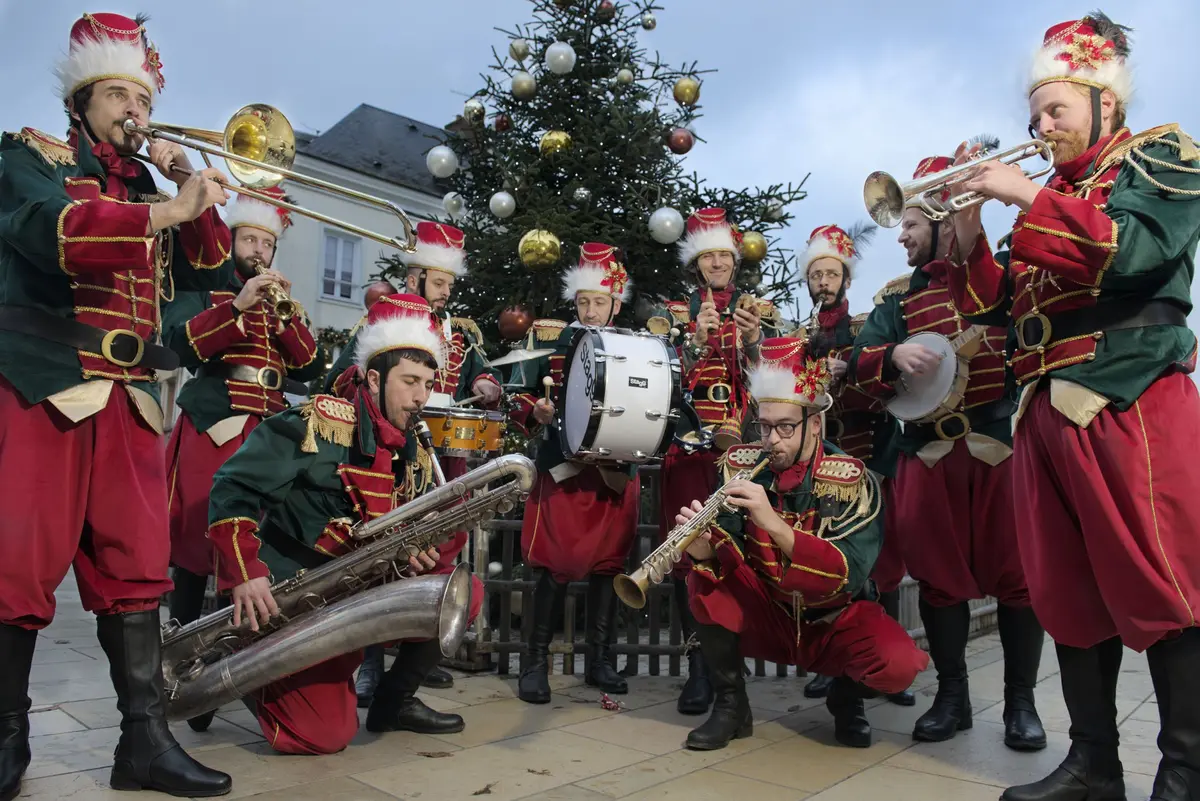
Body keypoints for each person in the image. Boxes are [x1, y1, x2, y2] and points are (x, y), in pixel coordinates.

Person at [943, 12, 1200, 800]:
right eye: (1035, 114)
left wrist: (1022, 193)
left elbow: (1138, 250)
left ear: (1104, 102)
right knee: (1067, 593)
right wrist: (970, 230)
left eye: (1055, 109)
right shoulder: (1046, 196)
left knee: (1163, 584)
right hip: (1043, 407)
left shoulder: (1161, 152)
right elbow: (998, 312)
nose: (1040, 125)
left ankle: (1187, 771)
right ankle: (1095, 765)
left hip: (1129, 394)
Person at [0, 13, 237, 799]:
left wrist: (186, 187)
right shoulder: (29, 152)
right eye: (117, 95)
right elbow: (46, 229)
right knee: (18, 565)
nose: (135, 112)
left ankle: (144, 743)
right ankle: (6, 736)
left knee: (137, 570)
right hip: (46, 380)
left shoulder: (147, 184)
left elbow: (209, 270)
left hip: (133, 398)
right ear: (83, 100)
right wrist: (160, 212)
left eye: (143, 97)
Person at [204, 293, 485, 755]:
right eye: (410, 381)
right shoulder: (317, 423)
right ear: (374, 379)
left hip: (354, 599)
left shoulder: (411, 445)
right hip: (292, 600)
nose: (421, 397)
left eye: (428, 383)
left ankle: (394, 704)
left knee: (462, 594)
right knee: (323, 737)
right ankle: (237, 665)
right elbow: (231, 486)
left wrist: (414, 553)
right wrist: (245, 573)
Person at [849, 149, 1047, 752]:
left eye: (911, 223)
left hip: (996, 451)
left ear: (941, 218)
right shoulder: (895, 303)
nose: (901, 235)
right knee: (938, 584)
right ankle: (952, 698)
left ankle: (1021, 704)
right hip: (927, 458)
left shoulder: (999, 274)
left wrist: (974, 221)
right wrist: (889, 357)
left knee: (1017, 581)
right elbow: (854, 377)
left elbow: (1013, 319)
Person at [678, 337, 929, 751]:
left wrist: (774, 523)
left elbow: (848, 576)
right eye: (764, 425)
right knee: (704, 579)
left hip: (831, 622)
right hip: (770, 615)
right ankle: (731, 708)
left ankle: (846, 700)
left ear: (814, 423)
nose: (771, 440)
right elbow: (732, 550)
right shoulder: (741, 470)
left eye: (785, 427)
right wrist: (705, 549)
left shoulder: (853, 480)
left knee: (897, 666)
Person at [162, 187, 323, 732]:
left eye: (266, 242)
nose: (258, 249)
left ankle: (242, 668)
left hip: (268, 429)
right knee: (196, 545)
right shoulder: (210, 288)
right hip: (216, 422)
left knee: (256, 546)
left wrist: (283, 316)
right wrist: (239, 306)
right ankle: (183, 667)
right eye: (249, 238)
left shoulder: (284, 301)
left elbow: (305, 364)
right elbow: (184, 347)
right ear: (232, 241)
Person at [340, 222, 500, 701]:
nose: (447, 292)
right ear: (414, 280)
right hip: (383, 457)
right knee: (377, 553)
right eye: (439, 282)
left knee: (440, 552)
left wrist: (486, 384)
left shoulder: (460, 331)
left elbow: (481, 370)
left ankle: (417, 656)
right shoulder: (379, 323)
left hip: (440, 458)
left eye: (450, 284)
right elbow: (343, 379)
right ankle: (369, 663)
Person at [651, 207, 781, 716]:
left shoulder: (759, 310)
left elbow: (775, 377)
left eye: (725, 255)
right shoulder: (670, 312)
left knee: (738, 552)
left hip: (743, 452)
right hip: (688, 449)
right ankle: (699, 667)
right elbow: (657, 382)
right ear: (697, 263)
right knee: (688, 553)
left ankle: (731, 662)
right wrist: (696, 342)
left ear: (735, 259)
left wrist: (751, 341)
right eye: (709, 256)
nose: (719, 263)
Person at [507, 243, 639, 704]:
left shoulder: (635, 347)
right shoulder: (549, 340)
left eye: (599, 302)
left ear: (615, 304)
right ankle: (534, 663)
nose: (590, 310)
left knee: (608, 567)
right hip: (563, 471)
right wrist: (536, 412)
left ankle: (599, 661)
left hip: (614, 473)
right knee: (554, 567)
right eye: (583, 301)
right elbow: (517, 395)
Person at [792, 223, 913, 707]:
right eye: (816, 274)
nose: (823, 281)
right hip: (819, 471)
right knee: (830, 567)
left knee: (881, 565)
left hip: (869, 462)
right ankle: (835, 663)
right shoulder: (798, 338)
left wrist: (854, 372)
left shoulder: (867, 328)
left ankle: (885, 667)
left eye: (831, 273)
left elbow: (890, 391)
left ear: (846, 279)